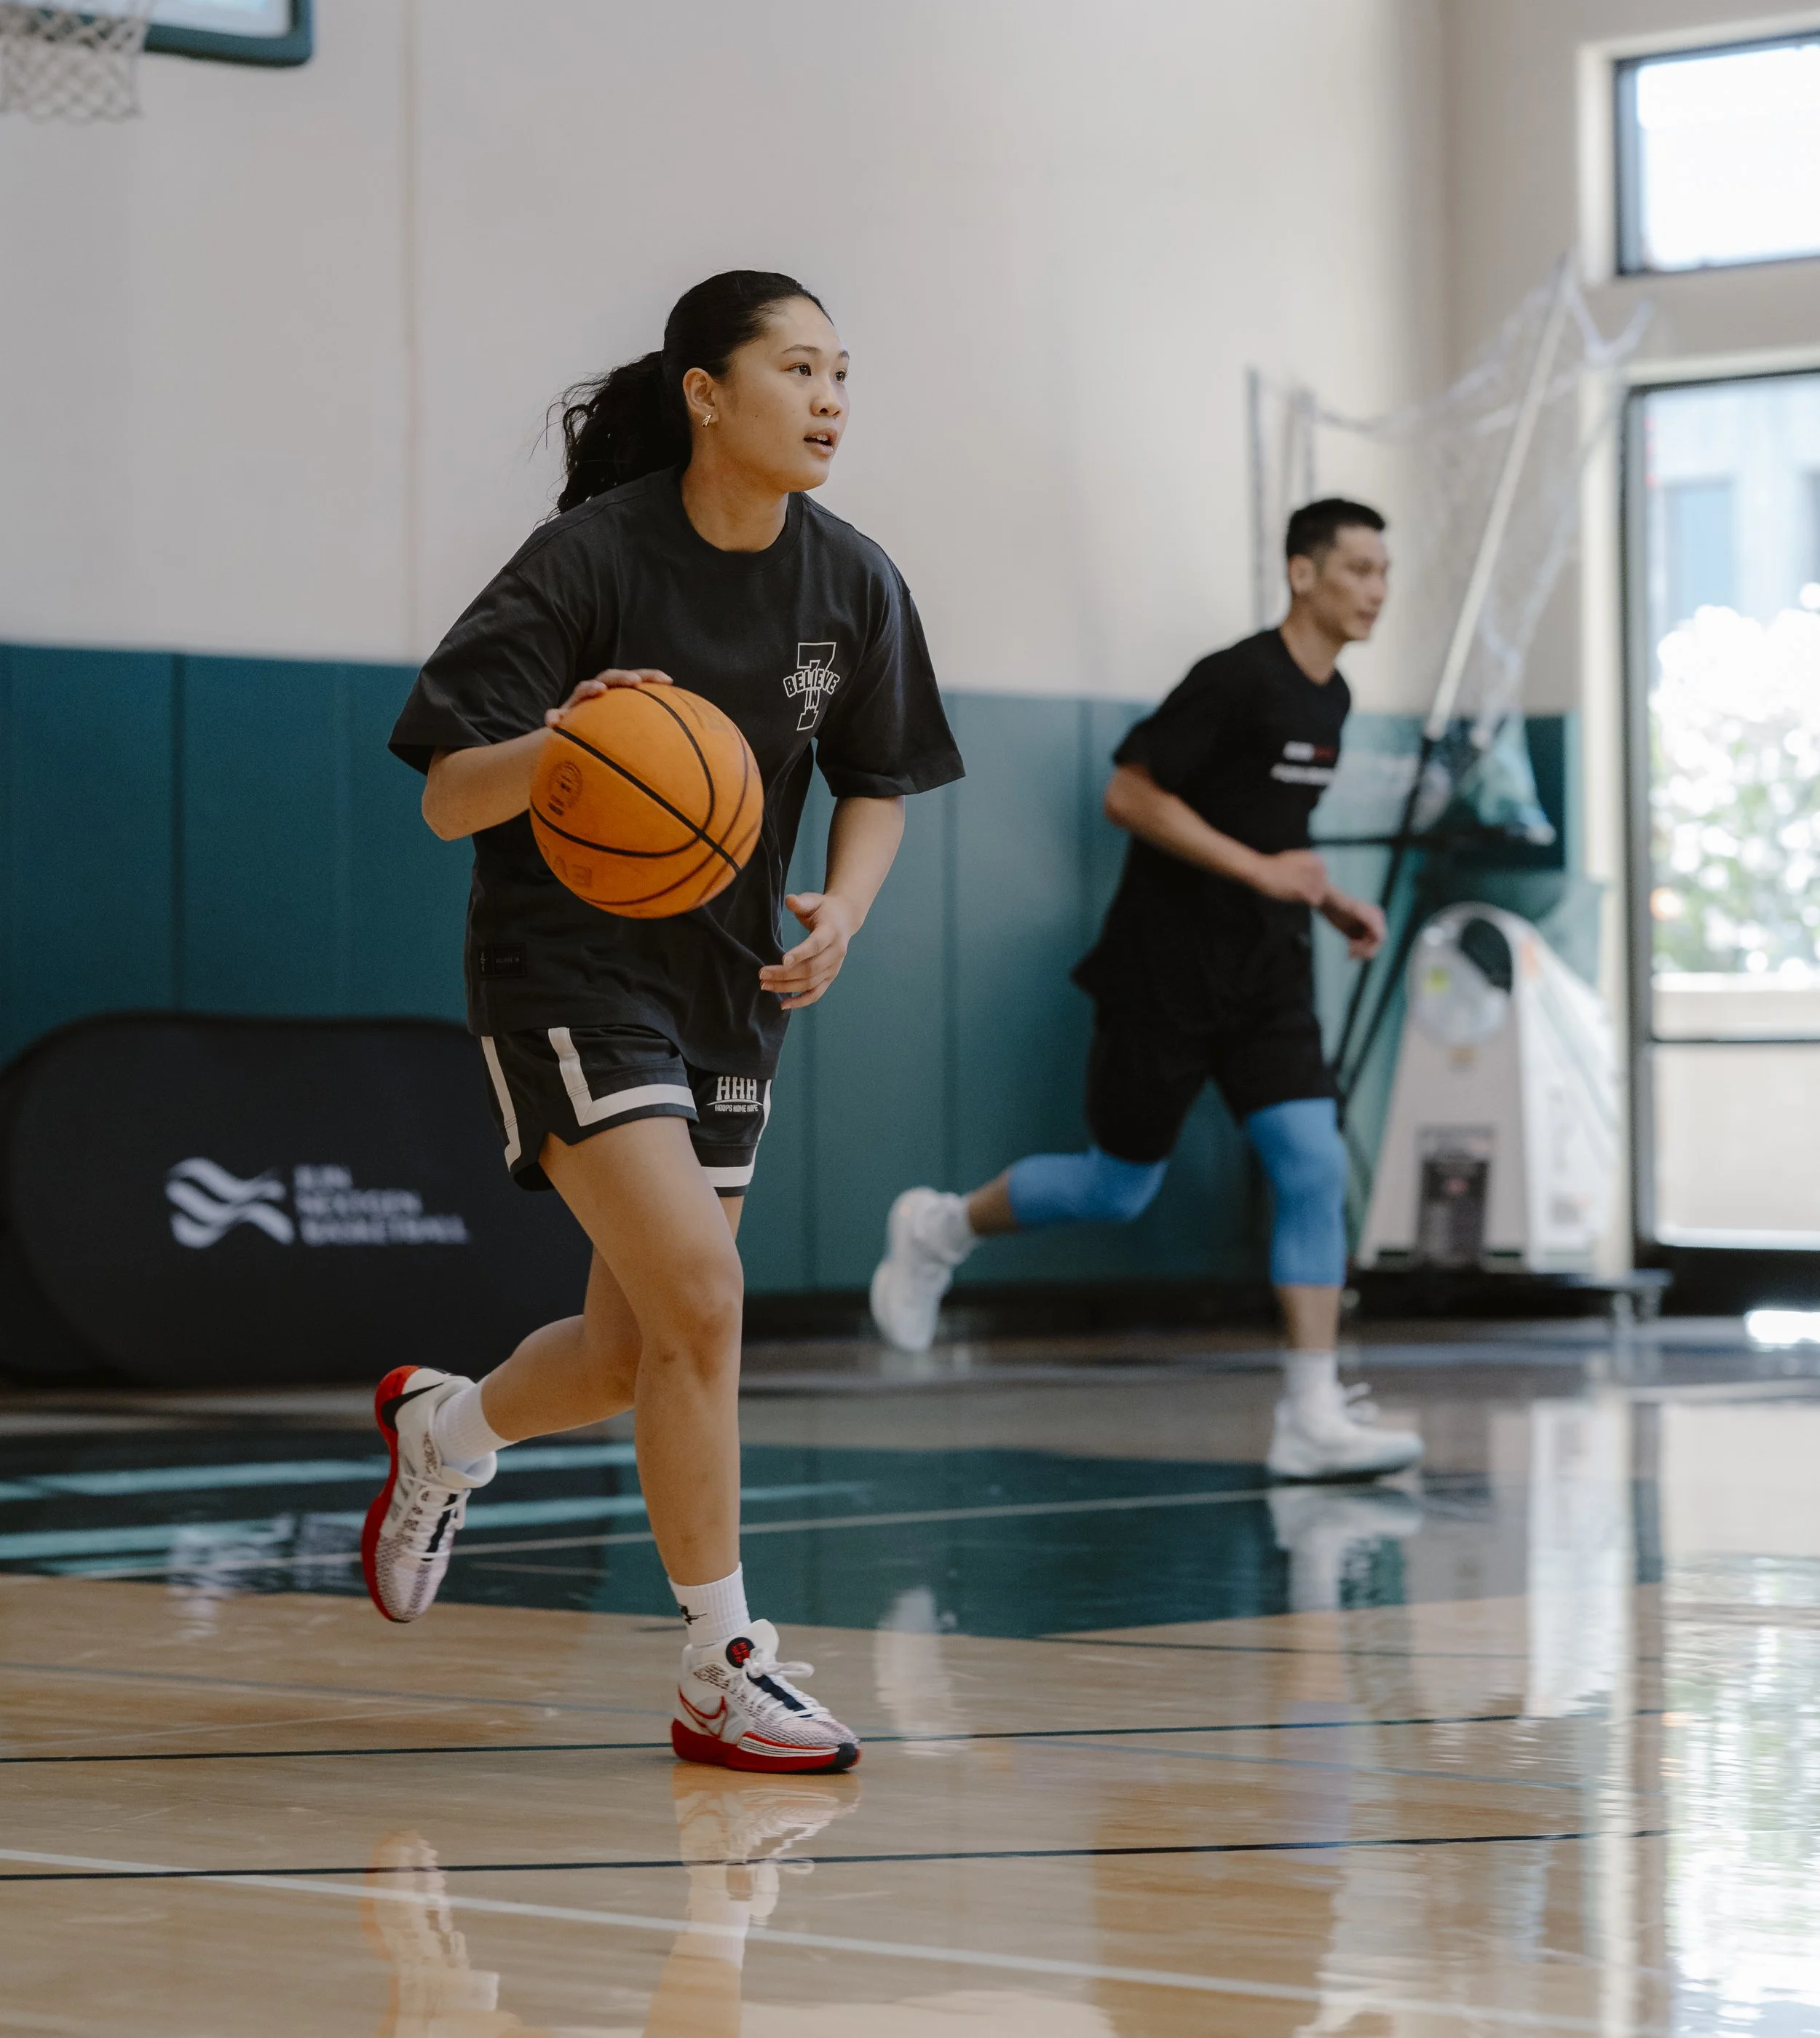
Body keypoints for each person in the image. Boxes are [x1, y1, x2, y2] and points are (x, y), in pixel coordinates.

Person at [368, 271, 964, 1772]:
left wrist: (842, 902)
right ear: (705, 392)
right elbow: (448, 794)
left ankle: (445, 1430)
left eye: (843, 371)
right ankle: (721, 1660)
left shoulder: (852, 579)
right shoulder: (586, 560)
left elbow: (881, 776)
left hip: (725, 984)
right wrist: (561, 742)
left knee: (636, 1347)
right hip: (566, 968)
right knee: (704, 1295)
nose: (830, 399)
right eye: (797, 368)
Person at [869, 497, 1423, 1481]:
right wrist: (1260, 873)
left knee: (1313, 1167)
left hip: (1268, 976)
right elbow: (1130, 793)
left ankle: (1309, 1413)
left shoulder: (1329, 699)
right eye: (1360, 570)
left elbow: (1272, 831)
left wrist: (1328, 899)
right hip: (1166, 972)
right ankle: (938, 1227)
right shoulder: (1236, 679)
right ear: (1304, 573)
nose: (1378, 590)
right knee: (1118, 1189)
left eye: (1385, 572)